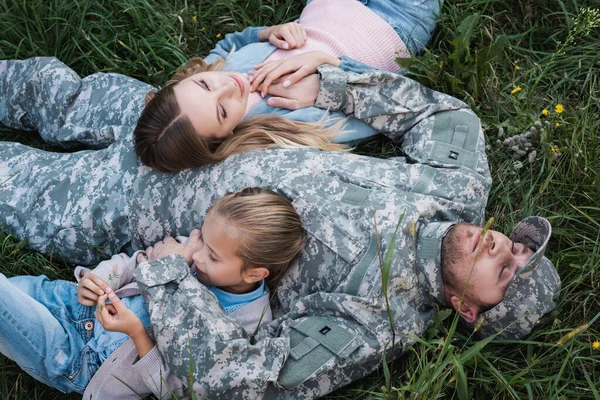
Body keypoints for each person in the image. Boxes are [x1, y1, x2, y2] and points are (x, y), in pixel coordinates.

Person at [0, 55, 561, 397]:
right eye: (517, 246)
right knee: (56, 91)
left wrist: (169, 273)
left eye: (506, 270)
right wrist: (331, 88)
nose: (502, 247)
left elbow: (241, 377)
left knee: (10, 179)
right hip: (200, 127)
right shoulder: (457, 190)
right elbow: (447, 117)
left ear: (469, 311)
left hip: (122, 210)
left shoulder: (380, 320)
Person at [0, 188, 304, 399]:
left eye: (212, 256)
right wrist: (100, 277)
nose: (197, 256)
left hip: (82, 357)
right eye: (202, 240)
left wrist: (137, 333)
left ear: (254, 273)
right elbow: (138, 260)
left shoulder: (245, 327)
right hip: (74, 304)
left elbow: (173, 387)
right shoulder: (199, 250)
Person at [133, 0, 442, 172]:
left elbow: (234, 41)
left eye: (204, 84)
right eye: (223, 110)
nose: (228, 85)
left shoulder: (221, 69)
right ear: (224, 136)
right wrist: (328, 69)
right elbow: (381, 110)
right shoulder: (287, 125)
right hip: (395, 22)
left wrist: (270, 32)